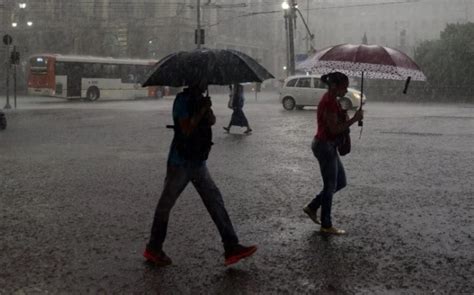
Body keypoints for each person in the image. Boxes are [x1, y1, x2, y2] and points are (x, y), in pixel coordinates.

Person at [144, 80, 257, 266]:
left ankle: (231, 246)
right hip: (180, 162)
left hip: (198, 162)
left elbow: (211, 122)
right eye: (202, 80)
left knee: (215, 201)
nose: (205, 84)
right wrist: (201, 111)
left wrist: (207, 109)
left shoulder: (200, 99)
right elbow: (186, 129)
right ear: (194, 81)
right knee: (165, 205)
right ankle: (154, 248)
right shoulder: (181, 101)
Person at [303, 72, 363, 235]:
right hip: (325, 146)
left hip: (329, 145)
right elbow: (334, 129)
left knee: (340, 182)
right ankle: (326, 224)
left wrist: (346, 115)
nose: (346, 90)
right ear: (335, 86)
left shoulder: (333, 101)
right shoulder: (329, 102)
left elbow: (336, 123)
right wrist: (354, 119)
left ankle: (312, 207)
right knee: (330, 185)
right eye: (344, 86)